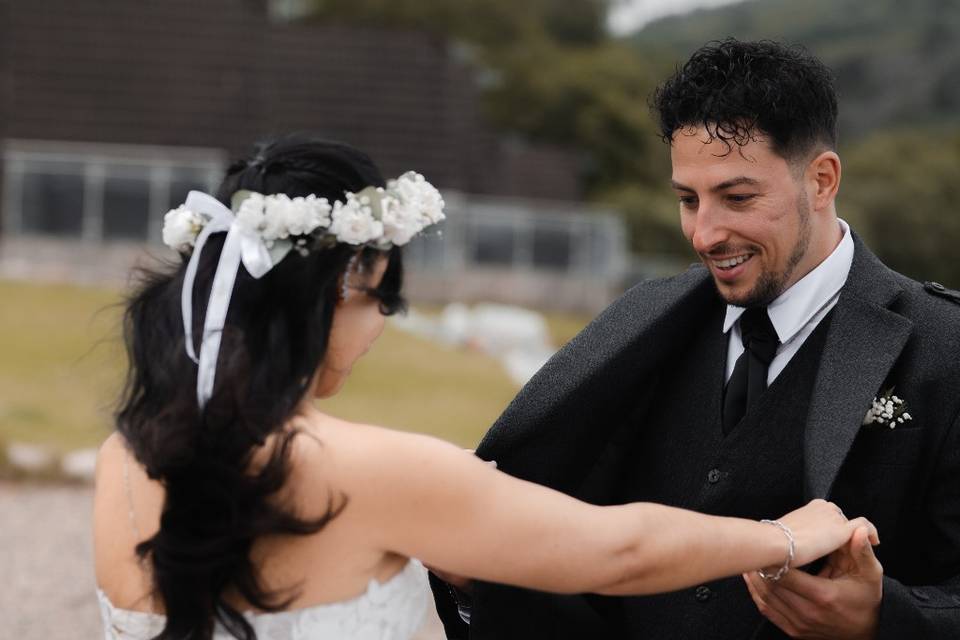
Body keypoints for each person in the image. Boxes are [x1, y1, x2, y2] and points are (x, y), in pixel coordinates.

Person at [92, 135, 868, 640]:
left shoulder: (122, 458)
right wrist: (788, 536)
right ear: (336, 290)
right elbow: (621, 550)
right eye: (380, 303)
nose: (381, 329)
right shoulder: (373, 471)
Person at [430, 39, 960, 639]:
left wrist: (881, 619)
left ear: (821, 180)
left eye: (737, 198)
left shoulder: (946, 345)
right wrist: (486, 577)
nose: (705, 234)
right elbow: (584, 559)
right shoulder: (642, 323)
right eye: (688, 200)